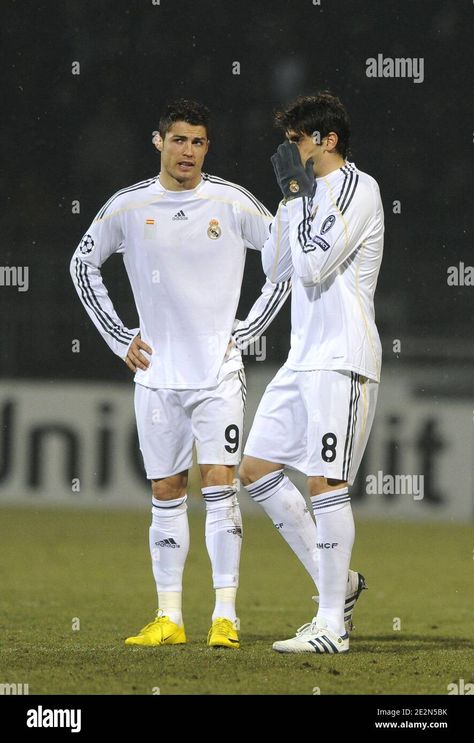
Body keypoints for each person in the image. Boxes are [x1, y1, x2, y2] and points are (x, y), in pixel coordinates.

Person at [70, 99, 290, 649]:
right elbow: (82, 263)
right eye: (178, 140)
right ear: (158, 141)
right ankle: (168, 617)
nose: (187, 150)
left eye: (197, 142)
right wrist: (119, 336)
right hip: (157, 376)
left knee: (219, 485)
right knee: (166, 489)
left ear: (206, 147)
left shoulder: (231, 201)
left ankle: (225, 616)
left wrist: (252, 325)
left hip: (217, 373)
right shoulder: (128, 205)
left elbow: (285, 256)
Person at [239, 92, 384, 653]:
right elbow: (277, 268)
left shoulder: (358, 189)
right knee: (255, 469)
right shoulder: (300, 197)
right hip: (302, 358)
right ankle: (340, 584)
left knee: (326, 483)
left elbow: (317, 264)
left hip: (342, 357)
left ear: (326, 141)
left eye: (297, 141)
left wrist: (299, 195)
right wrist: (289, 201)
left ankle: (332, 626)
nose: (289, 150)